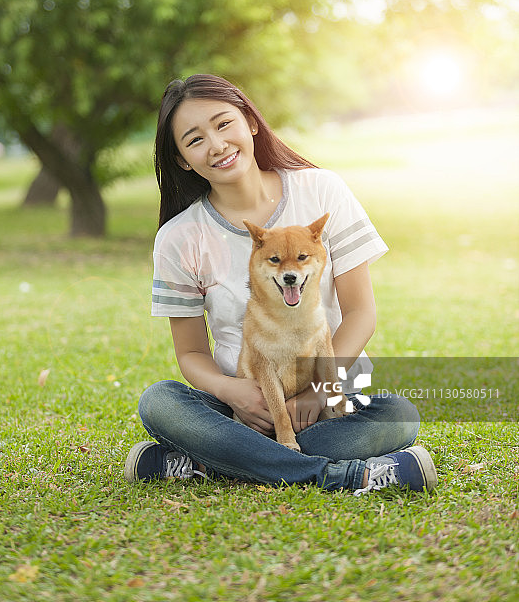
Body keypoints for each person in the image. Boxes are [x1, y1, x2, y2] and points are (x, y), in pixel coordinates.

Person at [124, 74, 437, 494]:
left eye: (223, 124)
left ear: (251, 122)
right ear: (182, 159)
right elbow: (192, 353)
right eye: (194, 140)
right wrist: (235, 394)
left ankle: (213, 461)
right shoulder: (180, 238)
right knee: (159, 402)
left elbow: (361, 313)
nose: (216, 145)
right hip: (241, 408)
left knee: (399, 415)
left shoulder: (322, 190)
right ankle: (342, 474)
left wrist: (317, 392)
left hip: (330, 398)